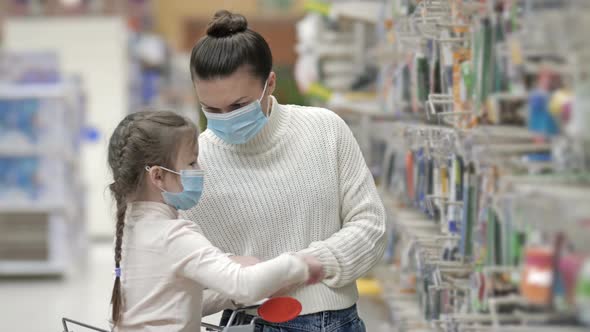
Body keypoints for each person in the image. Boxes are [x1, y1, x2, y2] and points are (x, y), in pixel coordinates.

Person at [184, 10, 387, 332]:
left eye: (238, 106)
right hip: (249, 322)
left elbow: (370, 227)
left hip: (337, 321)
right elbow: (184, 279)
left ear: (271, 84)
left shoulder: (324, 129)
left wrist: (306, 266)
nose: (225, 119)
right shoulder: (193, 165)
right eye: (211, 109)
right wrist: (242, 285)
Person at [106, 111, 323, 331]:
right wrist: (298, 264)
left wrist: (231, 296)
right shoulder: (174, 235)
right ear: (158, 176)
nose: (199, 170)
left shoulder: (128, 229)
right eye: (191, 163)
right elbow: (243, 284)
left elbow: (173, 302)